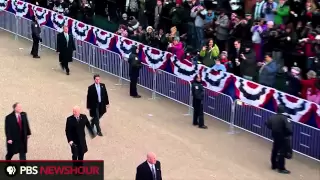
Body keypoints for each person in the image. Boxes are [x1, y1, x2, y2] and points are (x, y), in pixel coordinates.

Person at [265, 105, 293, 174]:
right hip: (283, 138)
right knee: (282, 153)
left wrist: (273, 129)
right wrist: (287, 134)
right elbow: (289, 129)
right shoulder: (285, 118)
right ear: (283, 111)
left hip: (275, 137)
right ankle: (281, 168)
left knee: (274, 151)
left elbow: (267, 124)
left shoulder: (273, 117)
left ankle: (273, 165)